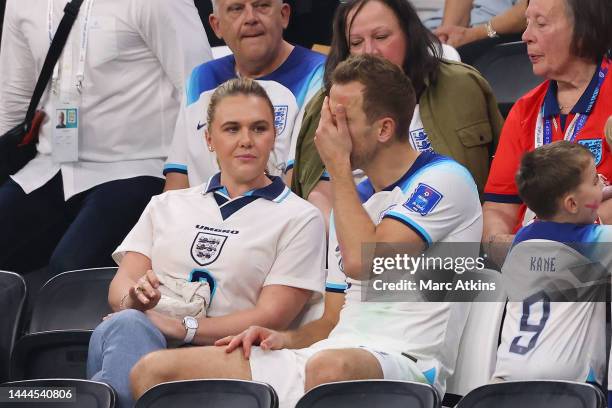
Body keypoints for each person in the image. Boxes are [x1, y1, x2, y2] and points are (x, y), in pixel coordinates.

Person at [129, 55, 483, 408]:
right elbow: (330, 320)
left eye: (341, 118)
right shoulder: (354, 202)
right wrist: (285, 338)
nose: (326, 129)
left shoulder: (444, 179)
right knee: (154, 370)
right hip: (325, 355)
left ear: (384, 129)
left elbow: (366, 262)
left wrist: (338, 170)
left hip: (409, 367)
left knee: (328, 368)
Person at [87, 78, 326, 408]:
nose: (246, 141)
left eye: (259, 128)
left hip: (225, 355)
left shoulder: (301, 217)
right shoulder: (166, 204)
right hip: (143, 334)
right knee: (128, 323)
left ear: (274, 137)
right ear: (209, 139)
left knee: (124, 339)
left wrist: (181, 327)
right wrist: (135, 298)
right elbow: (120, 287)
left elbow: (272, 316)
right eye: (232, 129)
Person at [0, 0, 211, 276]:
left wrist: (180, 179)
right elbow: (14, 98)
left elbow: (201, 91)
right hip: (50, 167)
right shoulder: (23, 3)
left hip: (138, 167)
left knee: (70, 269)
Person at [290, 0, 503, 231]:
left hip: (449, 241)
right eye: (356, 42)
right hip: (351, 241)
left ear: (410, 36)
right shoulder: (327, 101)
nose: (370, 51)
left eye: (381, 37)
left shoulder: (459, 85)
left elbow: (501, 182)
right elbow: (314, 195)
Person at [482, 0, 612, 267]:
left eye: (540, 24)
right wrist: (510, 248)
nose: (526, 35)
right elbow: (497, 209)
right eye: (527, 23)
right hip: (532, 270)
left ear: (583, 30)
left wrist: (577, 240)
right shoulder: (524, 111)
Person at [163, 0, 326, 191]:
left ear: (283, 15)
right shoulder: (201, 77)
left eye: (262, 6)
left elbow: (300, 186)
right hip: (199, 218)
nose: (250, 18)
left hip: (275, 216)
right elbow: (178, 181)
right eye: (236, 9)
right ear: (217, 25)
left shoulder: (318, 73)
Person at [492, 141, 608, 387]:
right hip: (564, 384)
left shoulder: (522, 238)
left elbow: (578, 208)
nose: (603, 183)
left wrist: (595, 193)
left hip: (507, 373)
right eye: (595, 180)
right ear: (572, 204)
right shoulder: (594, 243)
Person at [433, 0, 527, 65]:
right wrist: (445, 39)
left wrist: (475, 34)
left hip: (506, 31)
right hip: (471, 25)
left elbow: (533, 8)